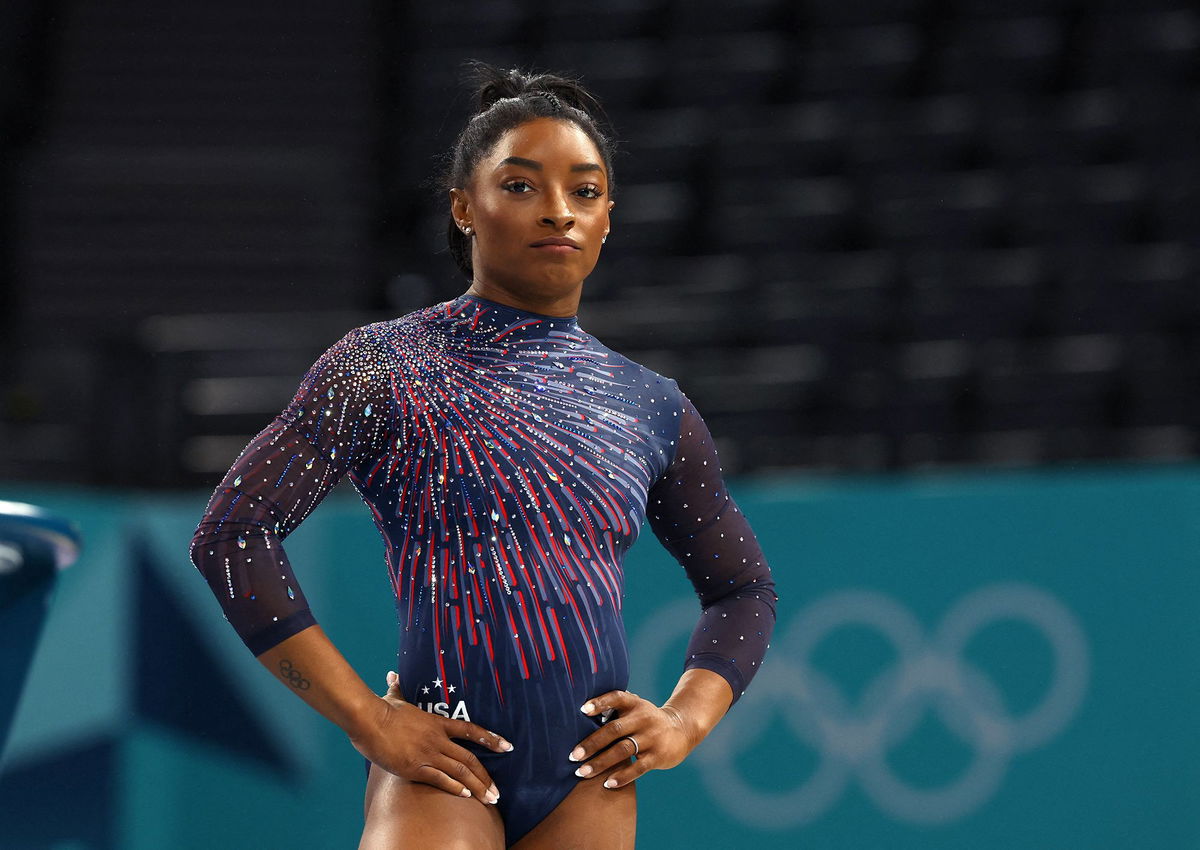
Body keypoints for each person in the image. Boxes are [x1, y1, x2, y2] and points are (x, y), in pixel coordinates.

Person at [190, 63, 777, 849]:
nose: (560, 212)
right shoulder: (381, 366)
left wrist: (683, 721)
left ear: (610, 219)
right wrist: (367, 720)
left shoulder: (651, 405)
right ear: (465, 207)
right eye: (523, 185)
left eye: (587, 190)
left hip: (588, 781)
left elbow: (743, 589)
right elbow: (232, 536)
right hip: (441, 767)